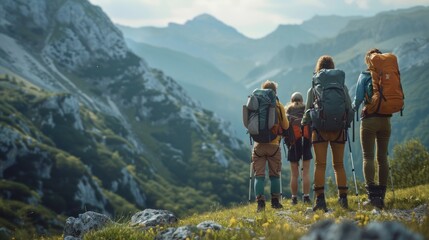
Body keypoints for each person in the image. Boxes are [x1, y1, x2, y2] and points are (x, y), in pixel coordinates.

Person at [302, 55, 352, 212]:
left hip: (320, 131)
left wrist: (304, 123)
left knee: (320, 165)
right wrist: (346, 124)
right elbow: (349, 109)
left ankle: (320, 200)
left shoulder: (314, 88)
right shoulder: (342, 87)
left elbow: (307, 112)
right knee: (339, 165)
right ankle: (343, 199)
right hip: (339, 130)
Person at [352, 48, 391, 209]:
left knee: (368, 156)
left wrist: (353, 108)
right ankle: (382, 195)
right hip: (386, 120)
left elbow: (358, 99)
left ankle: (373, 197)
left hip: (369, 120)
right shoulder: (387, 75)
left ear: (368, 61)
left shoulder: (364, 76)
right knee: (382, 158)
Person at [253, 80, 289, 212]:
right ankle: (275, 202)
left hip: (258, 145)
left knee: (259, 175)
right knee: (274, 175)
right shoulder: (278, 105)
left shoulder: (256, 103)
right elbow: (285, 126)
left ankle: (260, 203)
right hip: (274, 144)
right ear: (275, 92)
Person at [284, 92, 312, 205]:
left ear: (292, 100)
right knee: (305, 173)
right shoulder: (307, 111)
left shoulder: (288, 113)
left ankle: (294, 198)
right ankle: (306, 197)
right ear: (302, 100)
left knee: (294, 174)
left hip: (293, 144)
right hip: (305, 143)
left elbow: (285, 131)